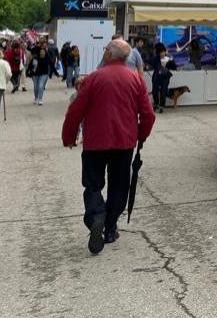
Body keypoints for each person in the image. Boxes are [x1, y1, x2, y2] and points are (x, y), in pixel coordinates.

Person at [62, 39, 155, 254]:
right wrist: (141, 134)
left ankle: (96, 215)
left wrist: (69, 137)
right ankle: (110, 228)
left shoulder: (94, 78)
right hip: (124, 141)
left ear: (108, 55)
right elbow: (148, 114)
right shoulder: (136, 80)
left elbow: (76, 110)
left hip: (96, 141)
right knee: (119, 185)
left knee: (93, 184)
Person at [150, 43, 176, 113]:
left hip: (165, 77)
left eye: (164, 52)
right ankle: (156, 103)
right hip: (156, 77)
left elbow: (174, 67)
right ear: (158, 53)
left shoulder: (168, 58)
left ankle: (161, 105)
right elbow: (151, 64)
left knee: (163, 91)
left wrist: (171, 61)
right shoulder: (155, 59)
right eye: (161, 52)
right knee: (154, 91)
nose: (163, 54)